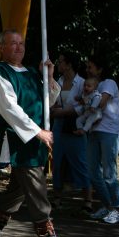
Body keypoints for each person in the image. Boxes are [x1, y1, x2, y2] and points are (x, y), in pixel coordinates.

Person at [0, 30, 83, 237]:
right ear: (2, 47)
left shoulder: (33, 73)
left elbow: (49, 102)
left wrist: (50, 77)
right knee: (37, 193)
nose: (18, 47)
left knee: (16, 193)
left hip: (35, 142)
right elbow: (9, 109)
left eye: (21, 43)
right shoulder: (0, 74)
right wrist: (37, 131)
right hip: (19, 142)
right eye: (12, 43)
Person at [84, 56, 119, 224]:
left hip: (110, 132)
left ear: (100, 69)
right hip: (94, 131)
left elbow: (100, 104)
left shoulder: (108, 83)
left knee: (109, 173)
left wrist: (87, 102)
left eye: (91, 66)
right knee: (93, 172)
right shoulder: (91, 85)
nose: (87, 69)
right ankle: (108, 207)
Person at [49, 52, 92, 211]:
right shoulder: (58, 81)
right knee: (57, 162)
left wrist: (67, 112)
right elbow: (51, 99)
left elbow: (86, 104)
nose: (58, 64)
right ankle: (57, 198)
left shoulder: (81, 83)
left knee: (80, 161)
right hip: (59, 126)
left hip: (75, 126)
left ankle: (88, 200)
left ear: (68, 64)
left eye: (60, 61)